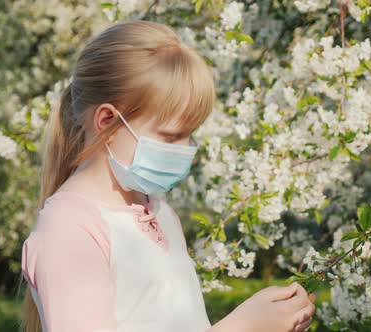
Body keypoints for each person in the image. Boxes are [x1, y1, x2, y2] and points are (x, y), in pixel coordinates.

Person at [18, 20, 316, 332]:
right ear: (106, 121)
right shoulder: (71, 229)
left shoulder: (159, 210)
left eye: (190, 135)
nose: (186, 150)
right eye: (171, 136)